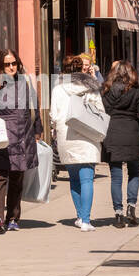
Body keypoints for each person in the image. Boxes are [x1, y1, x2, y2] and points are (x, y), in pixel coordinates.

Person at [0, 49, 43, 234]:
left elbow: (34, 108)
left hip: (22, 136)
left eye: (14, 63)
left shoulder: (25, 82)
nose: (11, 67)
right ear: (1, 66)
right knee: (0, 176)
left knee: (17, 177)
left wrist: (38, 130)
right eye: (7, 64)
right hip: (2, 136)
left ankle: (12, 217)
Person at [49, 55, 104, 231]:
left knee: (74, 179)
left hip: (66, 135)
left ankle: (80, 216)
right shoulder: (91, 88)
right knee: (87, 178)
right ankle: (86, 220)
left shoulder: (58, 89)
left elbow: (53, 115)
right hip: (88, 134)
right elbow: (101, 111)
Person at [100, 60, 139, 228]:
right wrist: (136, 126)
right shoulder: (137, 92)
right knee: (134, 173)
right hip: (131, 135)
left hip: (112, 134)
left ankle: (118, 213)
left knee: (115, 177)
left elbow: (101, 114)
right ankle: (131, 206)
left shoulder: (105, 92)